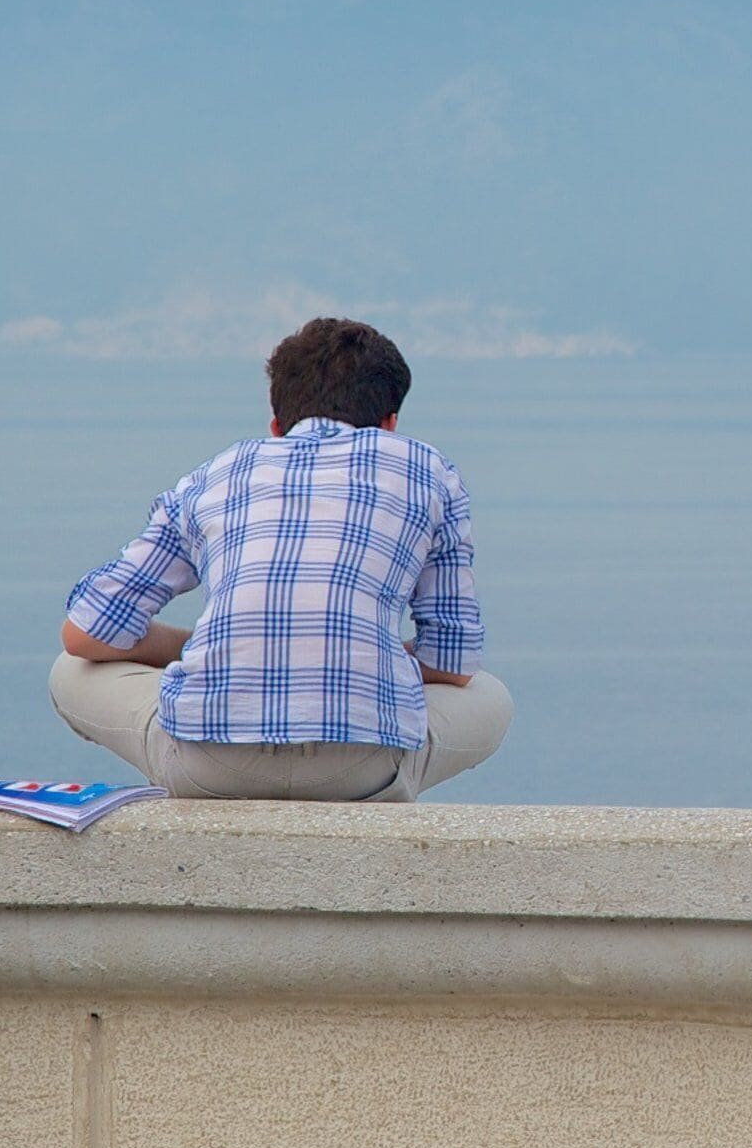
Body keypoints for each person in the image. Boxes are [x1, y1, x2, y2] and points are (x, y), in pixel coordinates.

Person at [49, 315, 511, 800]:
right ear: (390, 424)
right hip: (362, 772)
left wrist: (205, 648)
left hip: (208, 766)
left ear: (276, 425)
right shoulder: (429, 472)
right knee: (490, 696)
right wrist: (364, 652)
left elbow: (84, 634)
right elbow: (453, 663)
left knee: (71, 669)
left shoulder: (216, 474)